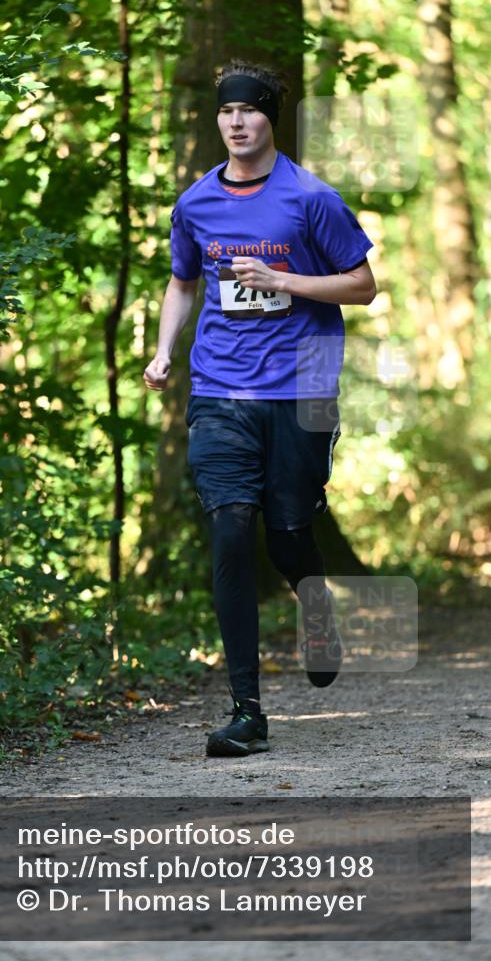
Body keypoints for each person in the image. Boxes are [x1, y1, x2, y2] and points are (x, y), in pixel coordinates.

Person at [143, 59, 376, 757]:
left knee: (287, 529)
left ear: (270, 117)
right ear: (217, 120)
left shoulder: (310, 199)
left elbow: (362, 285)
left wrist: (282, 279)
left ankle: (314, 601)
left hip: (300, 387)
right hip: (219, 388)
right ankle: (246, 708)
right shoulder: (195, 203)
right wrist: (163, 353)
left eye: (248, 110)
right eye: (225, 112)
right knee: (231, 530)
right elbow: (182, 283)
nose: (236, 121)